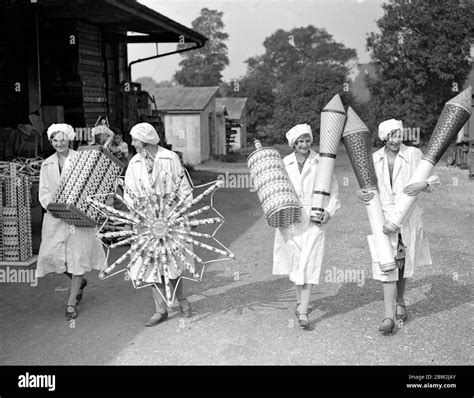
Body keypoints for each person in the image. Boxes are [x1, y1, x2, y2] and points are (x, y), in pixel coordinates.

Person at [356, 119, 439, 333]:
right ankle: (388, 316)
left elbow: (432, 178)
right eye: (391, 136)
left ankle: (400, 300)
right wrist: (359, 193)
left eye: (398, 135)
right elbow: (366, 185)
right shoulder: (374, 158)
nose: (395, 140)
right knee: (386, 263)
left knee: (402, 262)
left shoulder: (413, 154)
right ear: (384, 137)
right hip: (383, 217)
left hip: (408, 215)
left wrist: (426, 184)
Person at [124, 122, 193, 327]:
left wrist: (182, 210)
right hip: (146, 222)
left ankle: (181, 299)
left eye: (135, 139)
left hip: (171, 219)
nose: (132, 143)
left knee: (173, 262)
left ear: (145, 140)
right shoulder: (134, 163)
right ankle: (160, 309)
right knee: (150, 265)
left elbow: (183, 186)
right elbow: (129, 191)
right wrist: (135, 212)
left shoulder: (169, 158)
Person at [273, 124, 340, 329]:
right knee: (295, 261)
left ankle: (303, 310)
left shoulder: (322, 161)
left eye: (307, 140)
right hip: (290, 216)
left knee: (310, 260)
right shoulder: (284, 163)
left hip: (314, 216)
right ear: (293, 143)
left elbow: (334, 190)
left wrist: (328, 211)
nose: (304, 145)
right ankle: (300, 301)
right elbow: (276, 189)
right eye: (300, 141)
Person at [36, 123, 106, 320]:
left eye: (63, 139)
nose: (60, 143)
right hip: (56, 217)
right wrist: (53, 207)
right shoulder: (46, 164)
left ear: (69, 139)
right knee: (52, 255)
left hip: (78, 217)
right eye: (55, 140)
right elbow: (44, 192)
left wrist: (85, 206)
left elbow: (92, 187)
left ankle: (71, 303)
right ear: (51, 142)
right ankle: (80, 282)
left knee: (78, 258)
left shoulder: (81, 160)